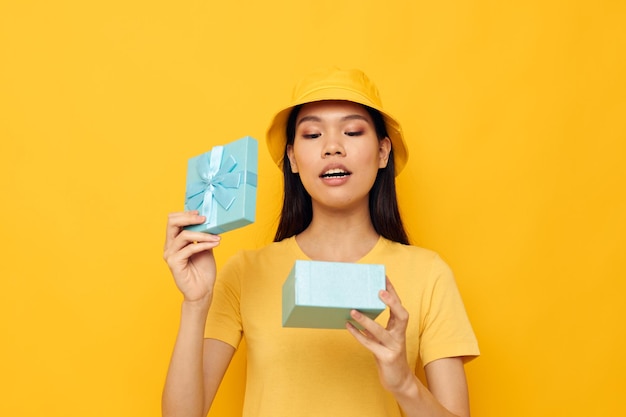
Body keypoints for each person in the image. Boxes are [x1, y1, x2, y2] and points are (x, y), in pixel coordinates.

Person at [162, 67, 479, 417]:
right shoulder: (246, 272)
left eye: (353, 131)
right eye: (312, 134)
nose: (332, 147)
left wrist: (404, 382)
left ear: (383, 152)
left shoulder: (428, 274)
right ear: (293, 158)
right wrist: (196, 303)